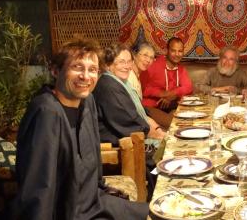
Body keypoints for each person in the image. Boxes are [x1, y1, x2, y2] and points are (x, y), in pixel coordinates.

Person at [14, 39, 148, 220]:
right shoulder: (46, 111)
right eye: (77, 67)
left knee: (155, 212)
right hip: (67, 212)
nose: (85, 76)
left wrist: (102, 190)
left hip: (93, 202)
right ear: (55, 71)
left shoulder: (87, 102)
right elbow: (38, 188)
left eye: (92, 69)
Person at [93, 43, 165, 146]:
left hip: (130, 141)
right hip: (120, 149)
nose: (126, 66)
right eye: (121, 62)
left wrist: (159, 131)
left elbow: (140, 115)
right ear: (108, 65)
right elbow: (130, 124)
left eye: (129, 62)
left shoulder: (123, 83)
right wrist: (161, 137)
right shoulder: (109, 86)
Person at [140, 37, 193, 112]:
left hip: (170, 108)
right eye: (173, 51)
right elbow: (142, 88)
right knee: (172, 122)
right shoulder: (153, 65)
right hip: (149, 108)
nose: (177, 54)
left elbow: (188, 87)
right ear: (167, 51)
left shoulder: (181, 69)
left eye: (180, 51)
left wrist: (173, 94)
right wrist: (162, 93)